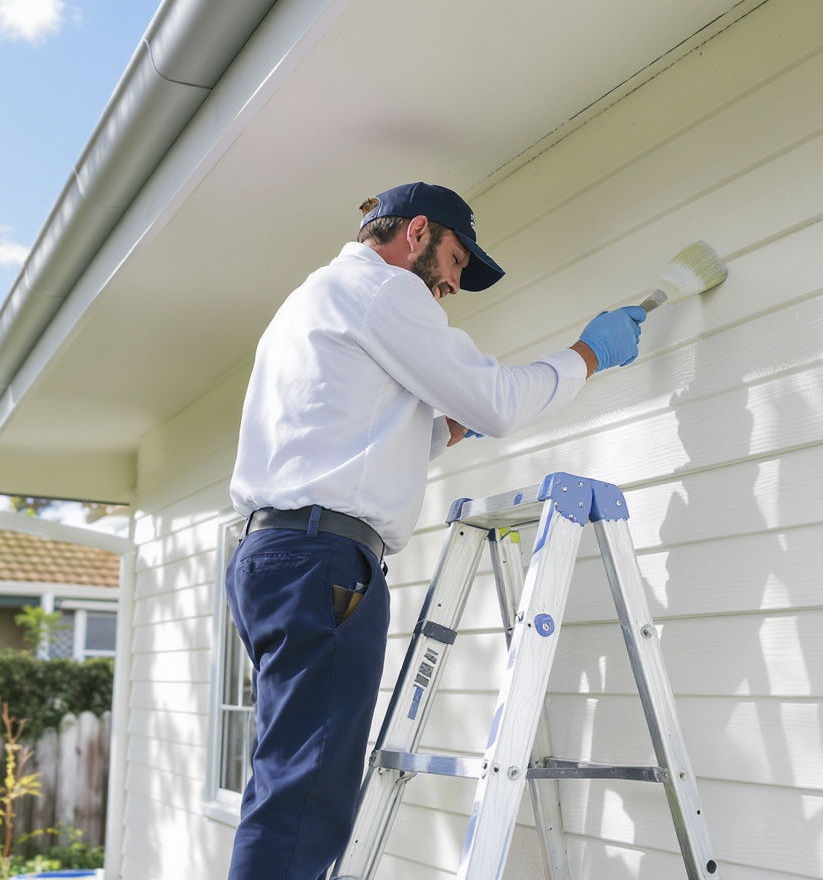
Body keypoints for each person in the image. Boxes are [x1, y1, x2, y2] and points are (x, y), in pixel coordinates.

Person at [225, 182, 645, 879]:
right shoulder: (387, 292)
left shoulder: (311, 299)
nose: (451, 283)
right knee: (305, 804)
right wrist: (587, 355)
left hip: (273, 557)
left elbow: (347, 437)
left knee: (284, 783)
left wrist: (446, 426)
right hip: (322, 563)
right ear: (415, 234)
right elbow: (502, 403)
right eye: (453, 258)